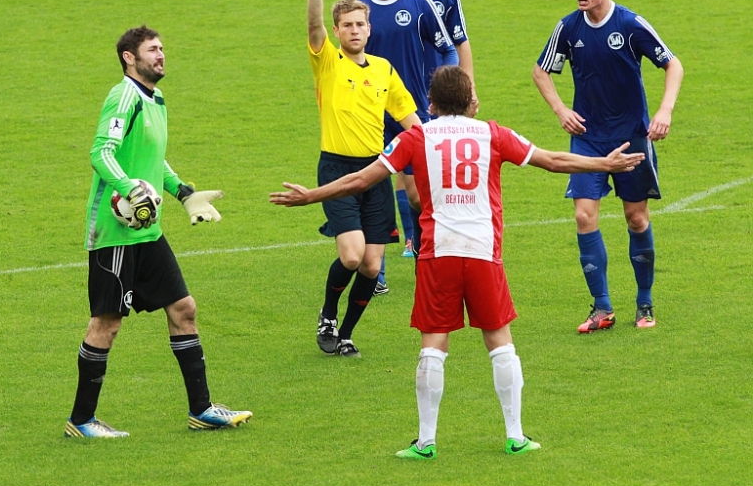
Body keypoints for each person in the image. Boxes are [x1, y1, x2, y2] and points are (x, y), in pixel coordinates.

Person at [271, 66, 646, 458]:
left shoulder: (414, 137)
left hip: (438, 254)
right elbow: (552, 160)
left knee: (433, 345)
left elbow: (359, 180)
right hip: (483, 251)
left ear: (430, 104)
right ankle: (515, 436)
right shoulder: (493, 134)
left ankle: (426, 442)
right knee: (500, 342)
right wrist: (604, 164)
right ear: (471, 102)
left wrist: (311, 196)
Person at [65, 25, 251, 438]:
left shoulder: (156, 98)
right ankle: (81, 421)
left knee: (184, 309)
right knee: (106, 324)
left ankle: (202, 410)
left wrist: (183, 193)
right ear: (129, 58)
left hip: (148, 232)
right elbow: (101, 153)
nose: (161, 55)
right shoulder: (124, 96)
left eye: (162, 48)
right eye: (152, 49)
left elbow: (153, 158)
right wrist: (130, 189)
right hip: (116, 233)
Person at [533, 0, 683, 332]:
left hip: (631, 138)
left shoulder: (630, 25)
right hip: (587, 139)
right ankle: (602, 308)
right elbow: (541, 71)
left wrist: (664, 111)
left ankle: (644, 302)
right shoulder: (568, 27)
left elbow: (673, 64)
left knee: (636, 218)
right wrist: (560, 109)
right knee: (584, 216)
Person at [306, 0, 421, 357]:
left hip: (375, 172)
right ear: (337, 31)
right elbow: (313, 23)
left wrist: (438, 147)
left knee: (372, 265)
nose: (354, 30)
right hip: (337, 170)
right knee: (353, 257)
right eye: (347, 25)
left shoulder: (384, 69)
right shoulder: (328, 63)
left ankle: (346, 333)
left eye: (360, 24)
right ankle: (327, 315)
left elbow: (412, 122)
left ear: (369, 29)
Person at [358, 0, 458, 291]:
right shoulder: (360, 11)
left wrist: (441, 88)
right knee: (374, 190)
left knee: (417, 195)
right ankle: (377, 273)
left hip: (412, 114)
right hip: (371, 116)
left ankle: (421, 254)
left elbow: (448, 50)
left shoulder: (419, 5)